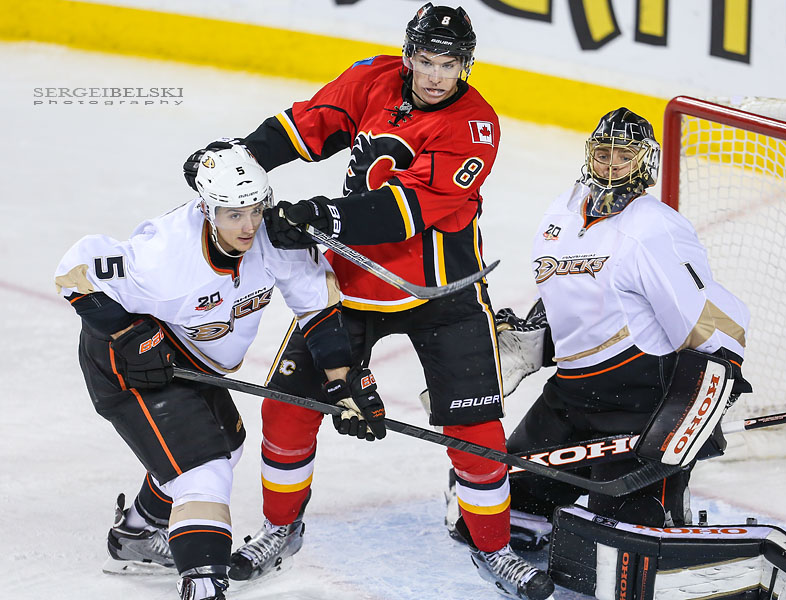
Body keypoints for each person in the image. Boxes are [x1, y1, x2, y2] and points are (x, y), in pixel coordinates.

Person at [181, 4, 553, 599]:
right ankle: (281, 528)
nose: (435, 76)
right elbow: (305, 126)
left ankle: (496, 547)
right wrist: (238, 162)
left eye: (449, 64)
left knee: (474, 426)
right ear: (408, 57)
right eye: (426, 61)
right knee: (286, 409)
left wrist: (323, 215)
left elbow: (405, 213)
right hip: (347, 284)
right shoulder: (373, 78)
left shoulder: (476, 126)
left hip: (443, 292)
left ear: (466, 65)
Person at [55, 147, 375, 600]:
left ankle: (137, 531)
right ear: (206, 209)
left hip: (189, 358)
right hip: (126, 364)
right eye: (233, 214)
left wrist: (341, 381)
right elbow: (73, 271)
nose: (248, 226)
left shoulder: (272, 238)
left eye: (255, 209)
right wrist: (129, 333)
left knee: (227, 446)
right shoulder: (167, 255)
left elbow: (316, 306)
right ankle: (203, 586)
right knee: (203, 469)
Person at [481, 107, 753, 549]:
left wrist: (714, 385)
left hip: (637, 407)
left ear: (643, 161)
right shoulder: (562, 213)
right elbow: (571, 292)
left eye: (622, 154)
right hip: (569, 396)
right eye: (602, 152)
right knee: (504, 505)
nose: (609, 163)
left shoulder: (654, 227)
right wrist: (539, 331)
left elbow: (705, 319)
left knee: (629, 545)